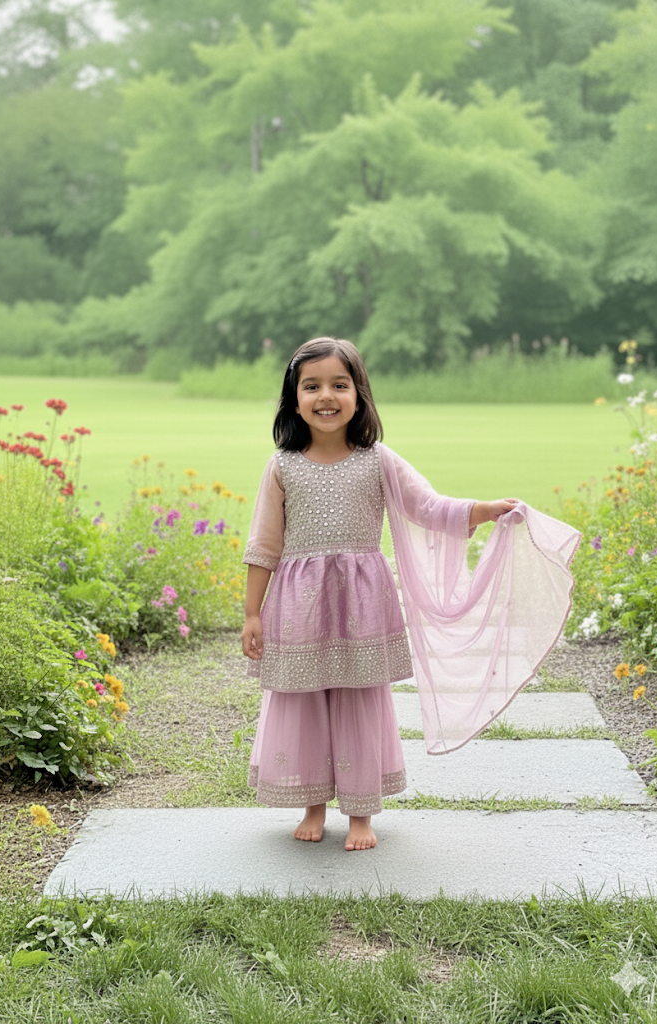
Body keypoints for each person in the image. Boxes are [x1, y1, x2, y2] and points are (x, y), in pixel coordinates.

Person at [241, 337, 580, 852]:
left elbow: (429, 506)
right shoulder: (283, 466)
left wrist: (483, 509)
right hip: (299, 605)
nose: (326, 396)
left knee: (360, 698)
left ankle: (360, 811)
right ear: (293, 399)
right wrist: (252, 613)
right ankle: (313, 803)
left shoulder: (377, 461)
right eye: (312, 386)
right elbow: (263, 545)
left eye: (339, 384)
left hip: (361, 604)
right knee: (304, 697)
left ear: (360, 395)